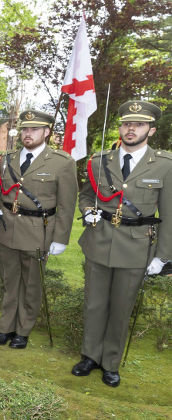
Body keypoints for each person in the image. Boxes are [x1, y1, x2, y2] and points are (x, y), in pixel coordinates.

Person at [72, 100, 170, 387]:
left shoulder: (164, 165)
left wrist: (162, 256)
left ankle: (110, 363)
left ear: (150, 130)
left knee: (121, 307)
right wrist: (88, 212)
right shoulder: (100, 161)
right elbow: (87, 196)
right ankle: (89, 355)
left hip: (137, 246)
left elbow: (169, 214)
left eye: (138, 124)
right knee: (94, 304)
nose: (131, 129)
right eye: (127, 123)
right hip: (99, 241)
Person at [0, 109, 78, 349]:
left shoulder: (62, 163)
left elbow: (67, 205)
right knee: (9, 281)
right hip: (8, 229)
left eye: (34, 129)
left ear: (47, 132)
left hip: (39, 231)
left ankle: (23, 330)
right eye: (25, 129)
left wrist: (61, 238)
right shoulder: (8, 159)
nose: (28, 134)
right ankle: (6, 327)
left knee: (31, 284)